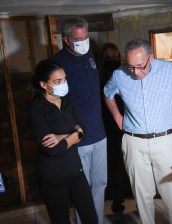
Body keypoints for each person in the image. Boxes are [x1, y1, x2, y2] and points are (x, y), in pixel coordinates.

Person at [104, 38, 172, 224]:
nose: (135, 72)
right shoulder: (120, 74)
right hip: (133, 142)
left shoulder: (170, 71)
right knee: (142, 195)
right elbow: (107, 93)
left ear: (151, 58)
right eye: (130, 66)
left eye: (140, 66)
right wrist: (117, 116)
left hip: (166, 141)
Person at [51, 17, 107, 224]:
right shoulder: (58, 64)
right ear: (66, 40)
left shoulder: (90, 55)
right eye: (78, 39)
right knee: (82, 188)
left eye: (86, 37)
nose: (84, 42)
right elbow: (54, 103)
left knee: (100, 183)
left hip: (99, 134)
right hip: (79, 137)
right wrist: (67, 132)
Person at [29, 59, 98, 224]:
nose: (63, 84)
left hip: (75, 170)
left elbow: (85, 131)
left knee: (91, 218)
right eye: (57, 81)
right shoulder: (36, 109)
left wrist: (61, 136)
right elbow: (52, 149)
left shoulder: (68, 100)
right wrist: (75, 134)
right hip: (52, 177)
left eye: (64, 79)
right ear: (44, 85)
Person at [98, 42, 130, 215]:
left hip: (126, 126)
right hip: (107, 127)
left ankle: (123, 198)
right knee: (113, 165)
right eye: (108, 57)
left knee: (126, 164)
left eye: (115, 57)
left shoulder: (124, 76)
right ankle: (117, 202)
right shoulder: (99, 78)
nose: (112, 60)